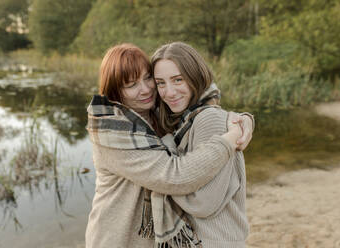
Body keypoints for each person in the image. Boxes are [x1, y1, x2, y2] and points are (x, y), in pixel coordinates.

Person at [85, 43, 254, 248]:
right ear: (115, 92)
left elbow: (203, 106)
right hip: (119, 238)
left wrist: (242, 119)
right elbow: (174, 176)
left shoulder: (157, 115)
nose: (146, 89)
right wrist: (230, 138)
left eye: (148, 78)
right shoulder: (114, 133)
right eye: (131, 85)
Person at [150, 41, 250, 247]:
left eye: (178, 80)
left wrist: (156, 180)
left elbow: (203, 202)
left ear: (195, 77)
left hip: (216, 240)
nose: (169, 92)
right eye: (161, 83)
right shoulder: (182, 119)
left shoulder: (208, 119)